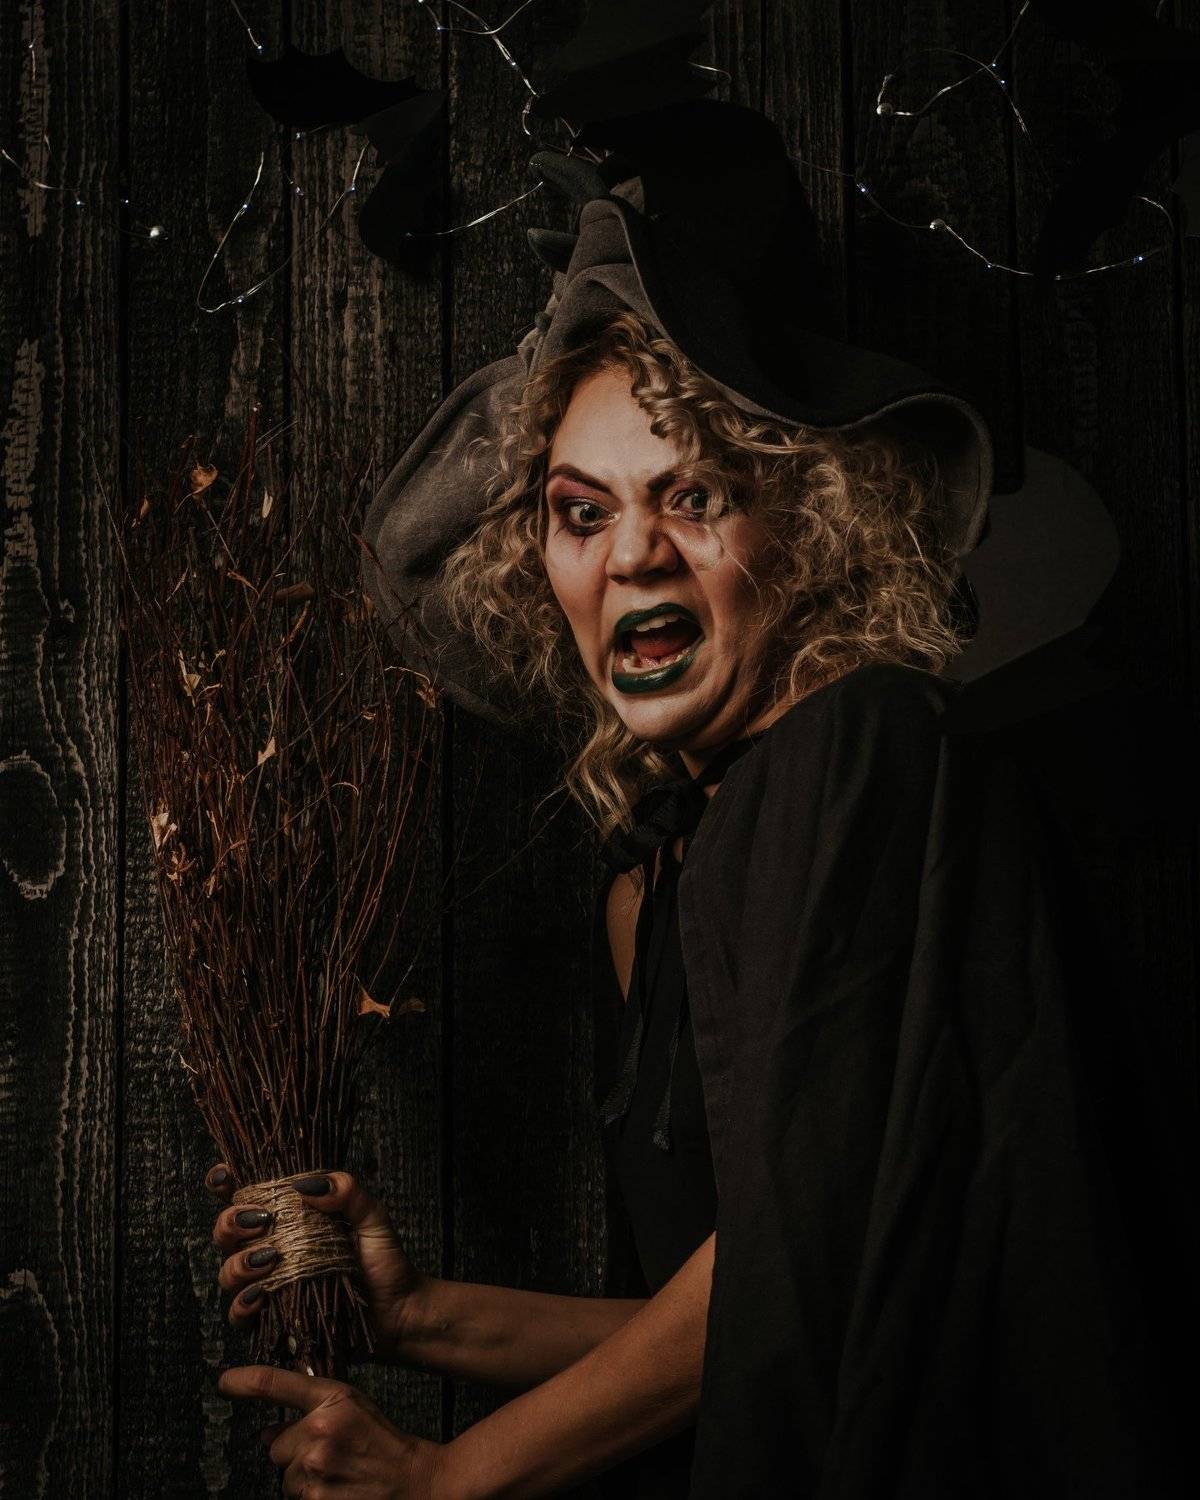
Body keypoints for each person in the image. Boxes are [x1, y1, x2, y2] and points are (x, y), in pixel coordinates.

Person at [210, 102, 1192, 1498]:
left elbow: (804, 1266)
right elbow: (748, 1334)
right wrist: (425, 1316)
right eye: (582, 510)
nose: (634, 555)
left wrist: (449, 1478)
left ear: (814, 529)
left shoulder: (861, 750)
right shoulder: (650, 894)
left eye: (696, 494)